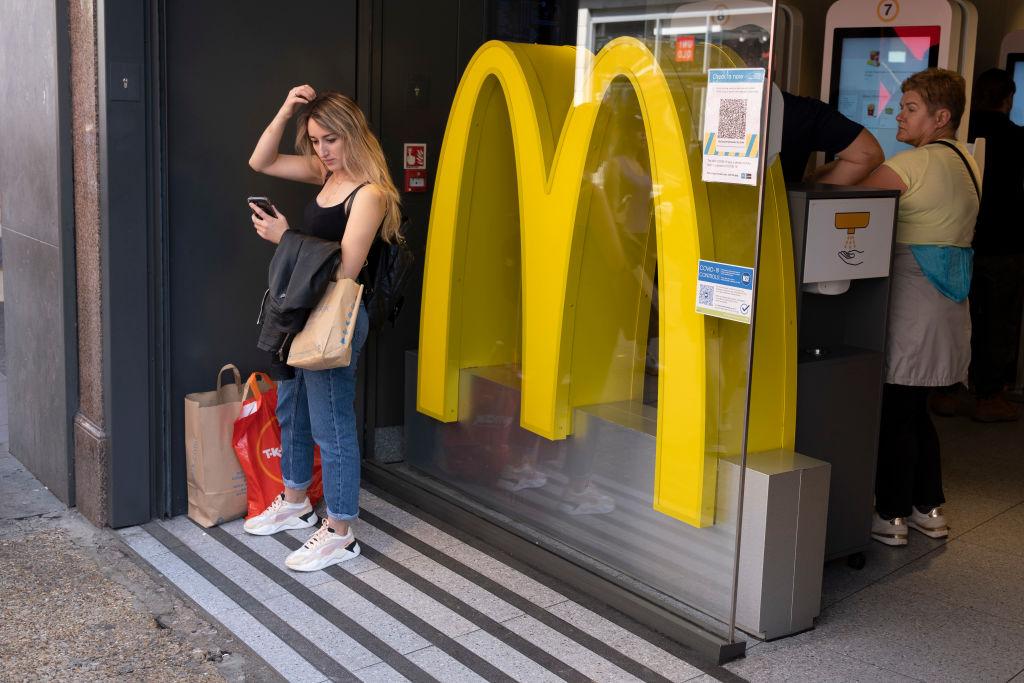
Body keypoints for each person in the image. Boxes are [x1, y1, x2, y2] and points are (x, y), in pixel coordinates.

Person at [243, 86, 401, 571]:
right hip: (300, 312)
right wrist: (288, 108)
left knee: (332, 427)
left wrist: (285, 237)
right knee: (292, 409)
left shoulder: (370, 193)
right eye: (314, 141)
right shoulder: (325, 174)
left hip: (336, 319)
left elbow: (346, 269)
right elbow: (260, 161)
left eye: (331, 139)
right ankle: (294, 501)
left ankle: (340, 530)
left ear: (354, 134)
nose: (322, 150)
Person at [860, 69, 980, 546]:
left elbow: (852, 197)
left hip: (912, 305)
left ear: (940, 117)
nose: (900, 115)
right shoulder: (966, 162)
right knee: (916, 410)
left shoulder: (915, 164)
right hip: (948, 304)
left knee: (896, 412)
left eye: (910, 108)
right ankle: (927, 507)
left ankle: (889, 514)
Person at [967, 68, 1024, 422]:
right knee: (1000, 320)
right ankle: (989, 396)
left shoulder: (962, 132)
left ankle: (947, 390)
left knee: (964, 317)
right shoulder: (1018, 138)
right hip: (1006, 242)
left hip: (965, 238)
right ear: (1008, 98)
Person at [779, 90, 884, 185]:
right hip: (780, 204)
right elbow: (868, 154)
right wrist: (810, 189)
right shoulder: (801, 111)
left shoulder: (801, 110)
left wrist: (811, 180)